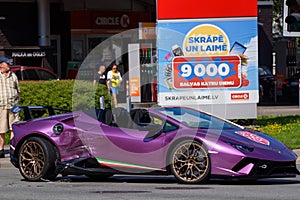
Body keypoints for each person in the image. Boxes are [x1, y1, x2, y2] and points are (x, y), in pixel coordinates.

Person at [0, 57, 20, 158]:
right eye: (7, 64)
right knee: (1, 129)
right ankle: (1, 150)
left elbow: (18, 90)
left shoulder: (13, 76)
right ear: (1, 65)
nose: (9, 65)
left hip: (13, 106)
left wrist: (17, 102)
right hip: (1, 106)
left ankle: (13, 149)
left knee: (14, 128)